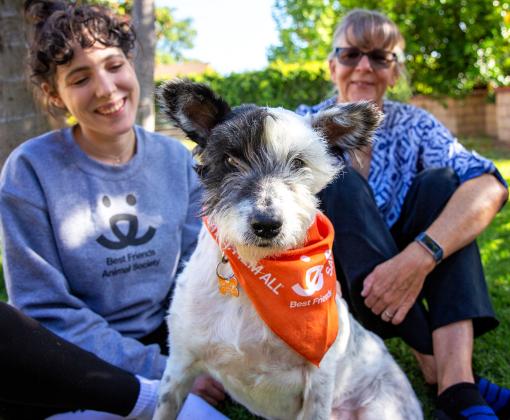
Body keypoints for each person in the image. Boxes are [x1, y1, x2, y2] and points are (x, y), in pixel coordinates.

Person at [0, 0, 224, 417]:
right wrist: (159, 369)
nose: (105, 88)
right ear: (54, 94)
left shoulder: (178, 162)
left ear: (131, 65)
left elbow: (198, 274)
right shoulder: (29, 170)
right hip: (74, 365)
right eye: (80, 78)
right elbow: (46, 308)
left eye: (113, 65)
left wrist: (198, 359)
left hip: (164, 341)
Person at [296, 9, 509, 420]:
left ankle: (456, 384)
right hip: (334, 281)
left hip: (410, 263)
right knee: (334, 180)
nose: (363, 67)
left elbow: (489, 184)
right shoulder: (306, 126)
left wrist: (418, 257)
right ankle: (439, 367)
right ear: (331, 65)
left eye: (380, 57)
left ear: (394, 73)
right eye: (350, 54)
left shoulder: (415, 124)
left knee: (445, 184)